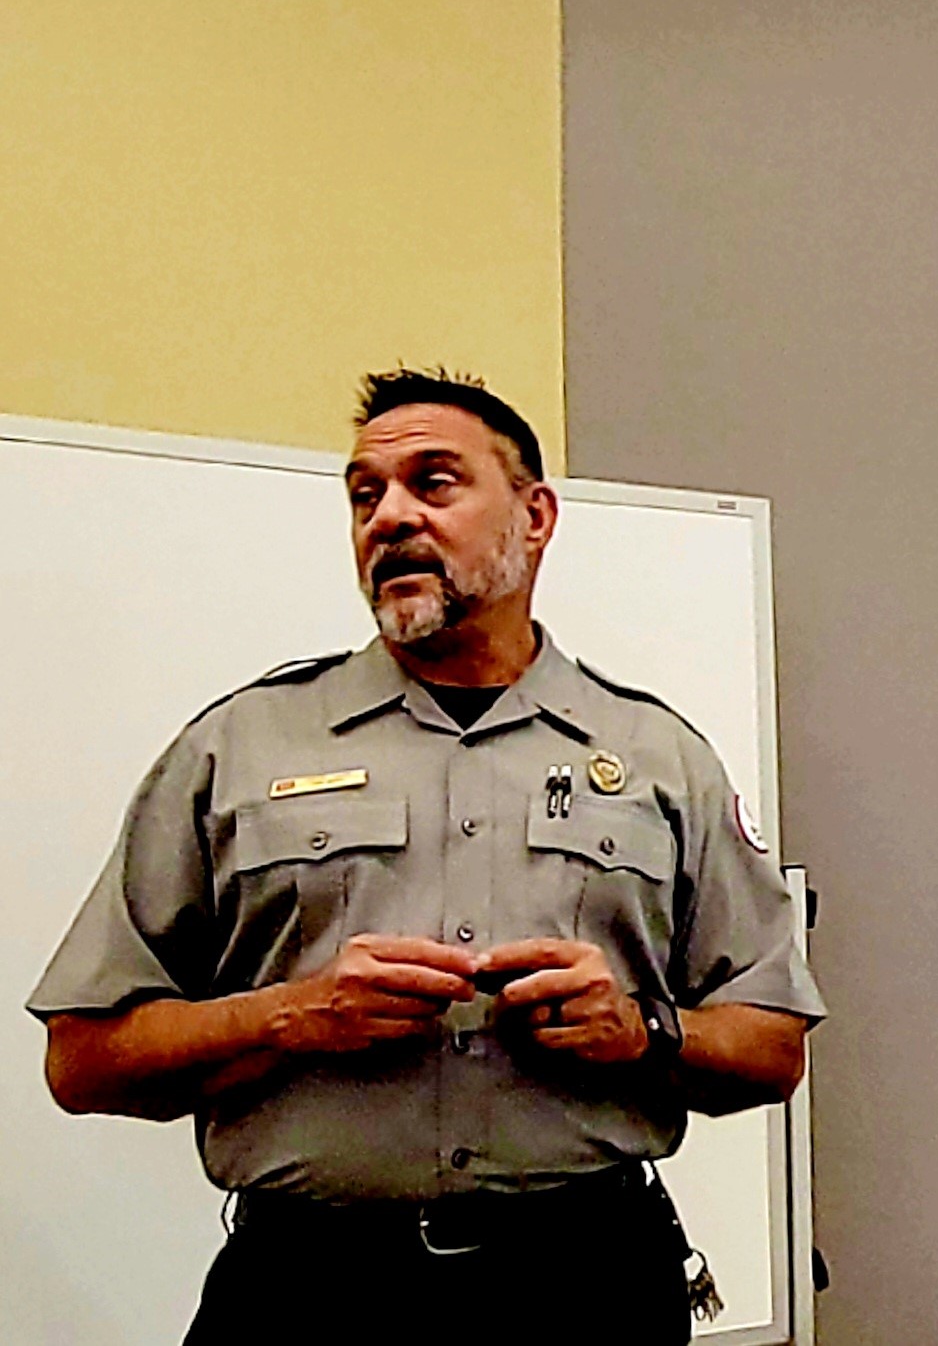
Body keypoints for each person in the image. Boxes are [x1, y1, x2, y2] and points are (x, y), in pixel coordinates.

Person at [28, 368, 826, 1344]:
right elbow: (83, 1060)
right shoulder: (235, 748)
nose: (389, 516)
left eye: (432, 482)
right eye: (365, 494)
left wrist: (641, 1028)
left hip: (585, 1281)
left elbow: (771, 1048)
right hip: (309, 1291)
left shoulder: (662, 758)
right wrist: (294, 1014)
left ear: (535, 517)